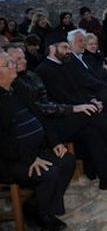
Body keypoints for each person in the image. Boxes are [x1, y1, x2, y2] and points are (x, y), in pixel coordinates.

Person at [7, 45, 107, 191]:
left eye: (23, 57)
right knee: (90, 113)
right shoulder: (15, 83)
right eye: (18, 59)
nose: (24, 60)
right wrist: (75, 108)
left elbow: (50, 101)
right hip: (47, 128)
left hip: (55, 118)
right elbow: (40, 108)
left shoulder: (31, 75)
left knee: (92, 130)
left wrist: (85, 103)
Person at [0, 50, 74, 231]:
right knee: (49, 172)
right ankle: (41, 215)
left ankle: (40, 207)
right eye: (7, 64)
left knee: (67, 160)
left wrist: (55, 142)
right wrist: (29, 159)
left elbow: (40, 116)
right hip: (11, 159)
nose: (13, 66)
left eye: (12, 62)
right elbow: (3, 143)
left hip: (34, 150)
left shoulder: (16, 88)